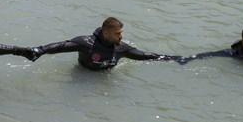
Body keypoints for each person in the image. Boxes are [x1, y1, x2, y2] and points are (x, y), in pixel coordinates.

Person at [31, 16, 178, 71]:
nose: (121, 36)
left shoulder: (122, 49)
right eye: (118, 33)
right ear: (106, 33)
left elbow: (147, 56)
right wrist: (40, 50)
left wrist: (175, 59)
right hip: (82, 74)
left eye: (121, 32)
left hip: (106, 79)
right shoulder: (86, 43)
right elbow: (60, 46)